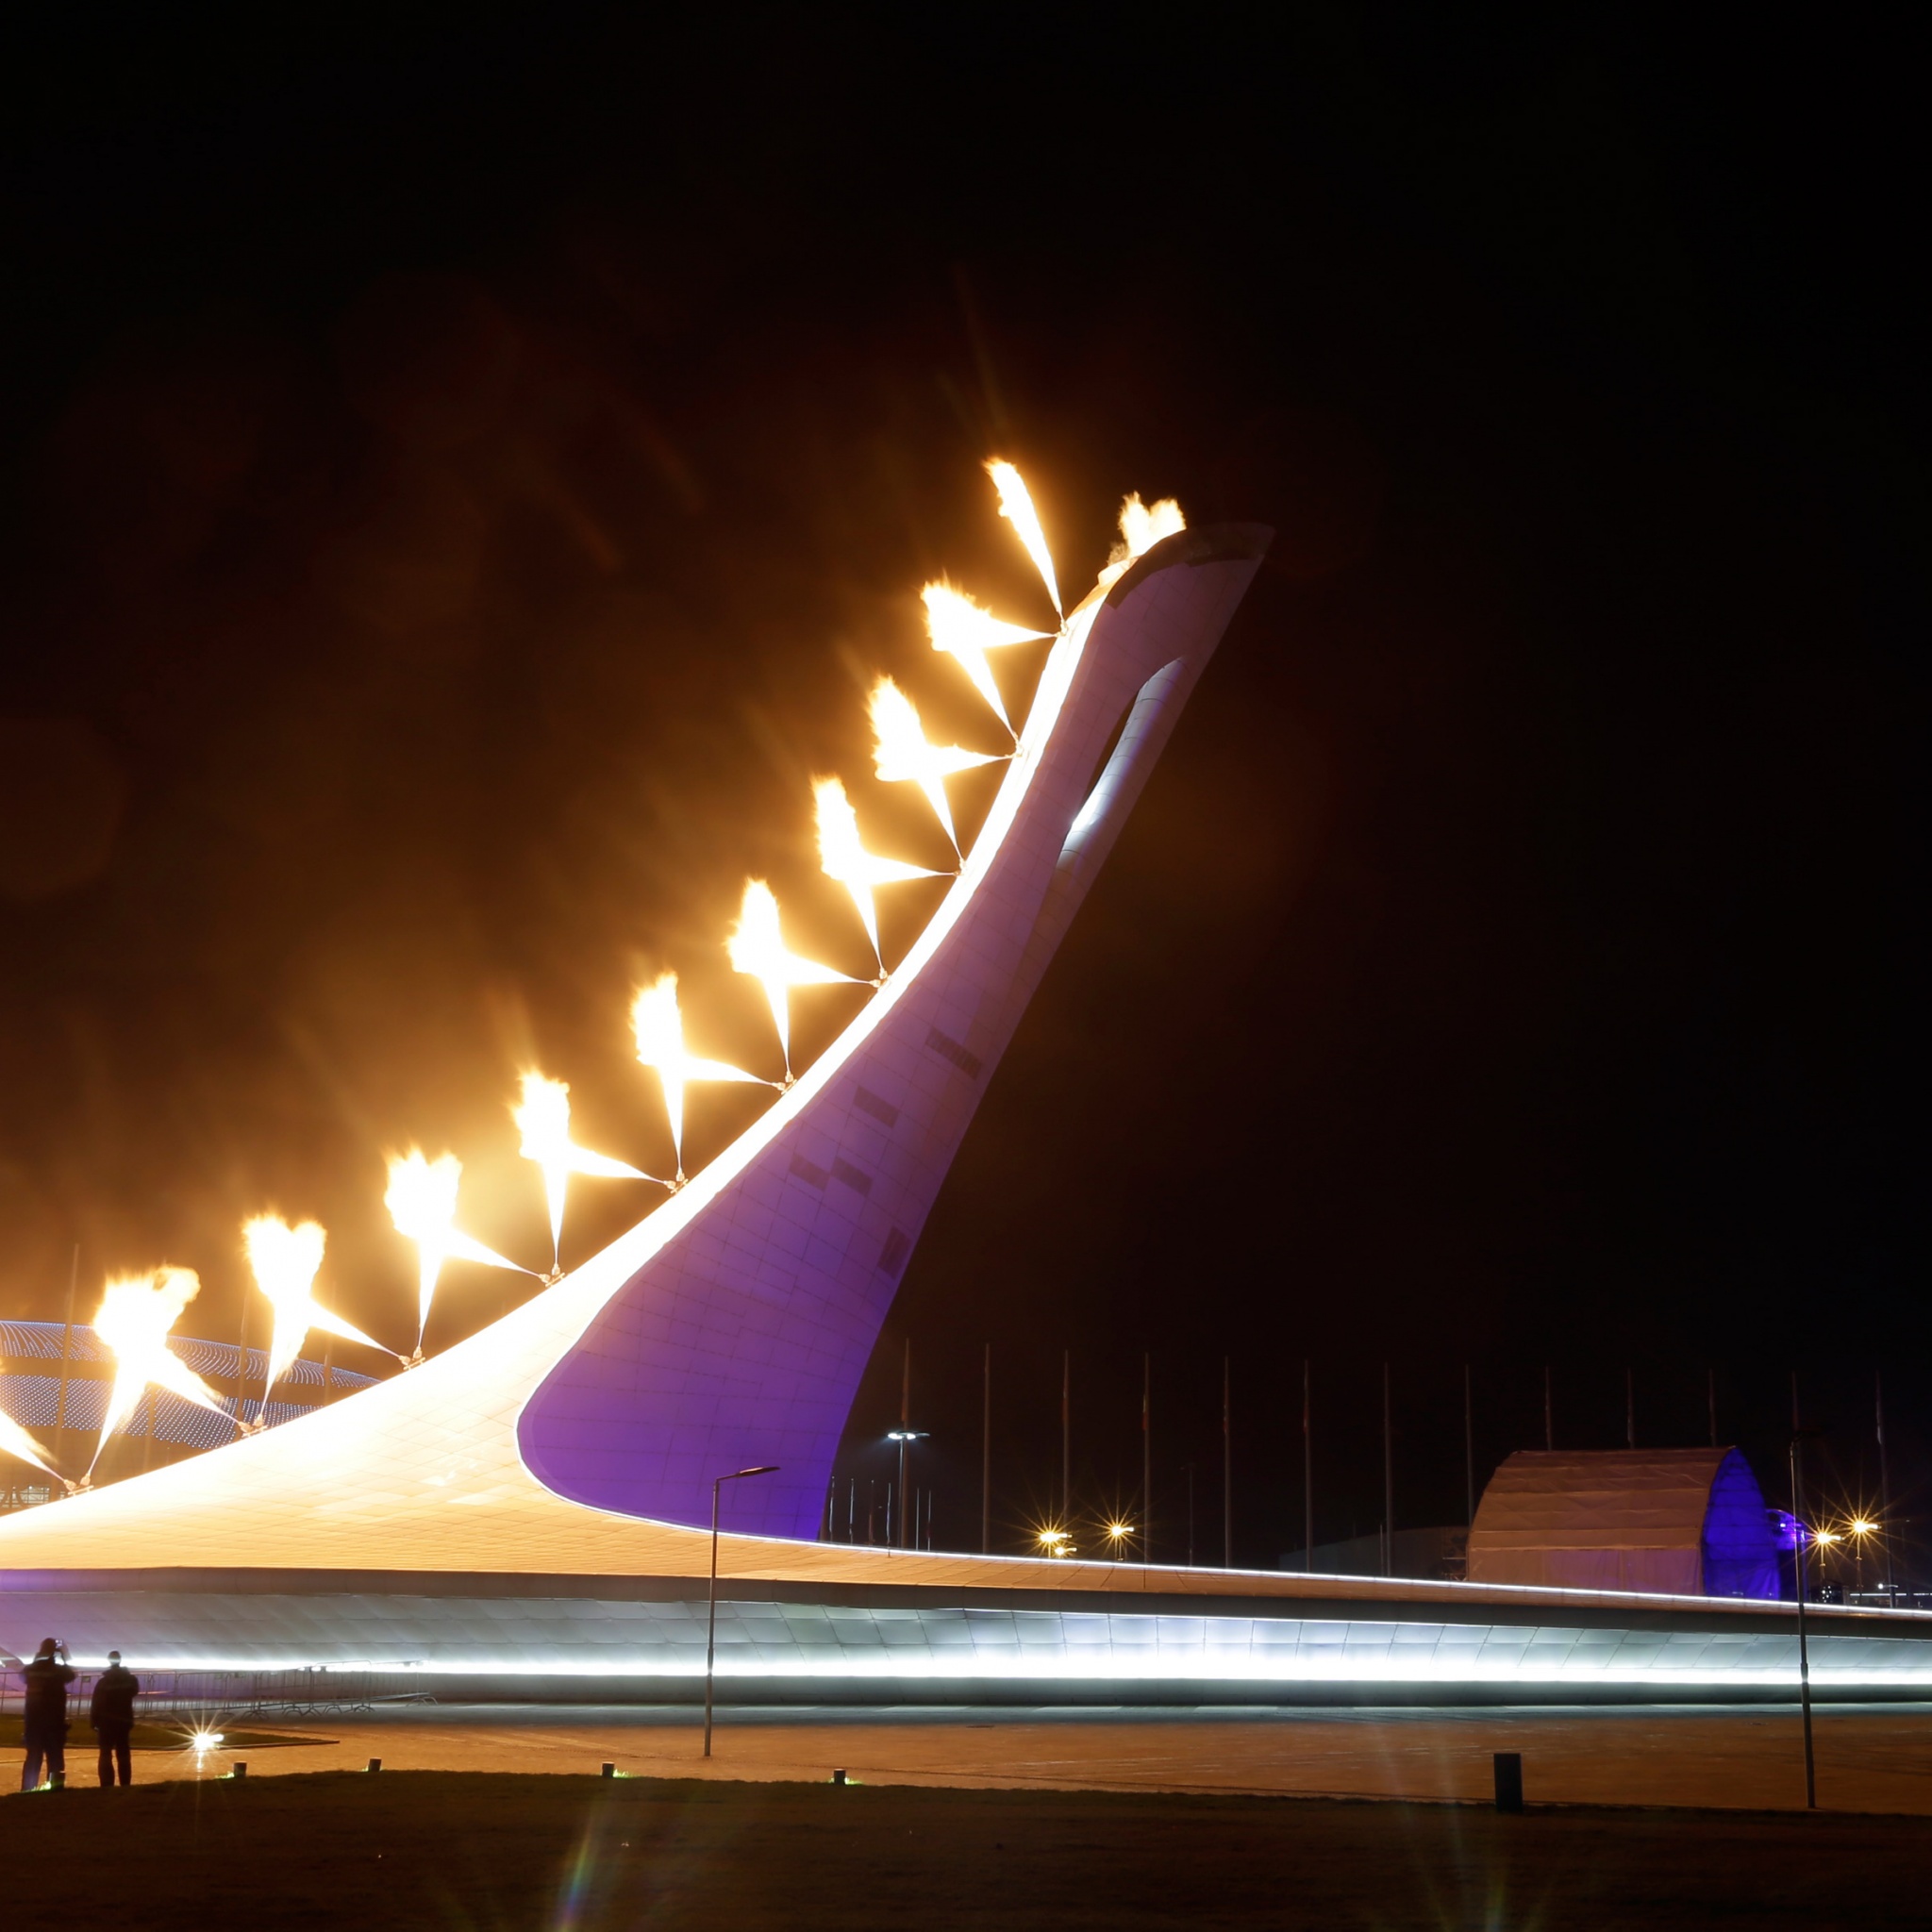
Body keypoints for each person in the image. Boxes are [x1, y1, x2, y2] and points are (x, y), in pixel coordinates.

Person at [19, 1637, 75, 1791]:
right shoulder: (57, 1671)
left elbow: (23, 1675)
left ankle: (27, 1789)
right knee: (55, 1759)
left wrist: (38, 1658)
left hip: (33, 1721)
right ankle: (55, 1789)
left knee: (33, 1758)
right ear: (53, 1651)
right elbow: (71, 1675)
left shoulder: (32, 1670)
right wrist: (64, 1657)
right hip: (54, 1721)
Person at [90, 1650, 140, 1788]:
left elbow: (96, 1702)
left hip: (106, 1722)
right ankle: (125, 1784)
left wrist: (94, 1721)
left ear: (109, 1661)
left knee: (105, 1753)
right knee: (123, 1753)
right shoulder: (130, 1680)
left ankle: (106, 1785)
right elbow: (134, 1691)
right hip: (123, 1721)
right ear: (120, 1660)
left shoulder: (103, 1682)